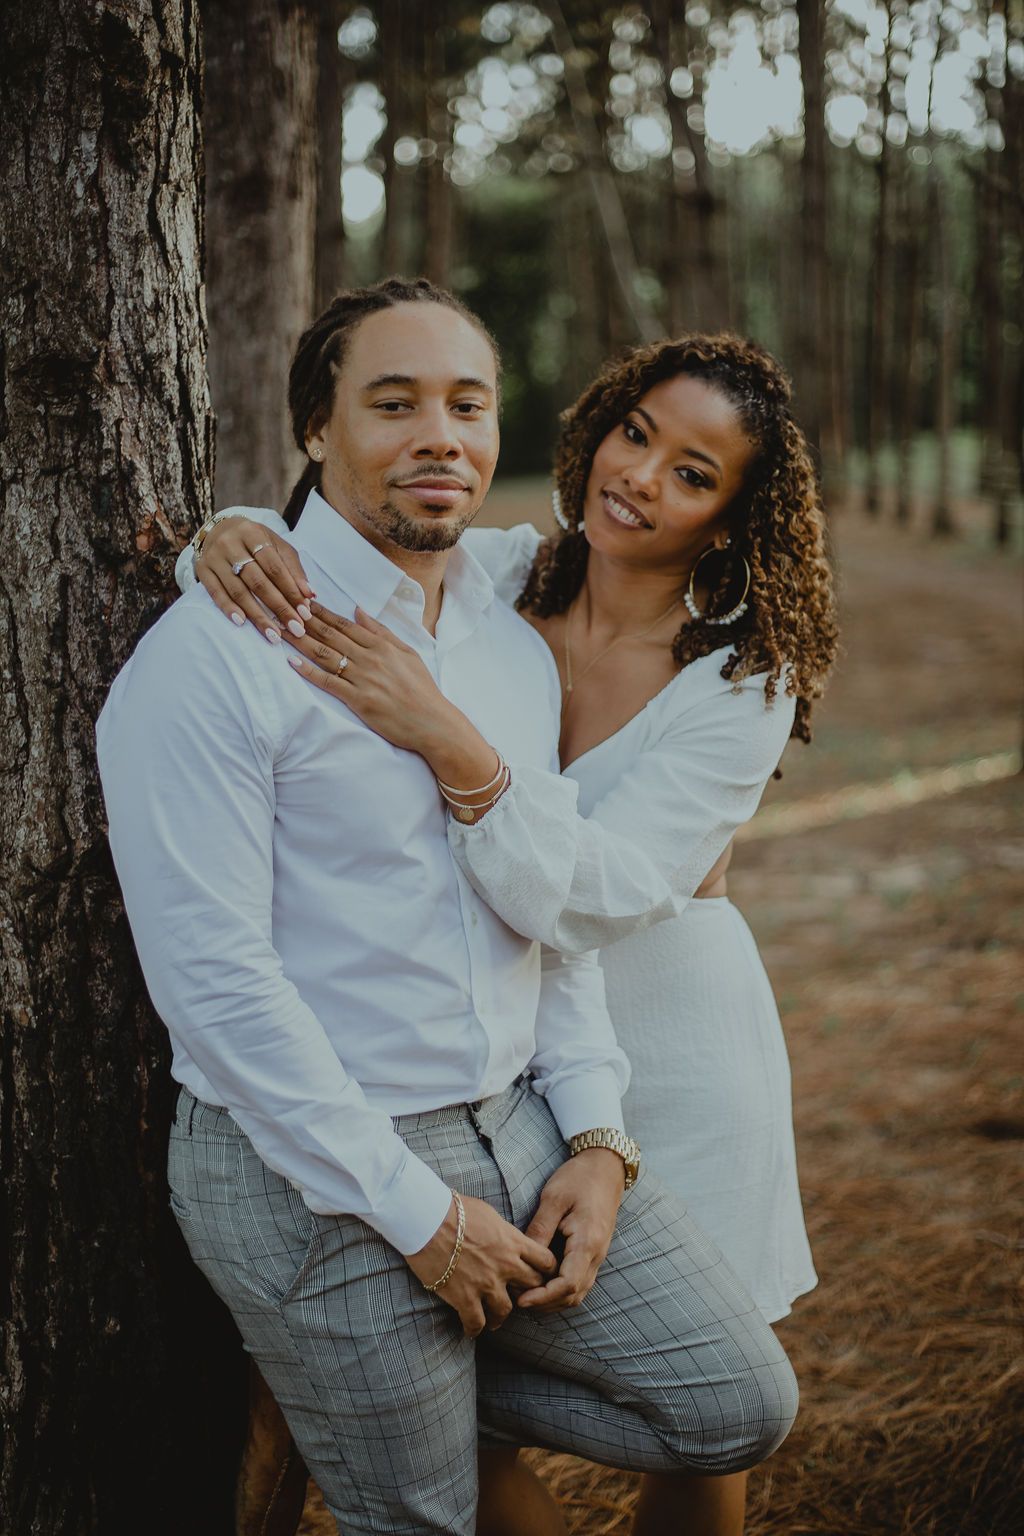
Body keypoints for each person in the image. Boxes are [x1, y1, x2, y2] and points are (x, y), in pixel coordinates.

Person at [97, 278, 798, 1536]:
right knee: (422, 1513)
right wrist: (232, 524)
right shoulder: (240, 648)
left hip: (557, 1085)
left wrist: (593, 1133)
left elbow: (550, 915)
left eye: (467, 404)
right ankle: (372, 1374)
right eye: (393, 402)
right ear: (316, 426)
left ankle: (386, 1376)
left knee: (732, 1408)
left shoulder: (505, 648)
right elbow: (215, 987)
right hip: (331, 1132)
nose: (441, 435)